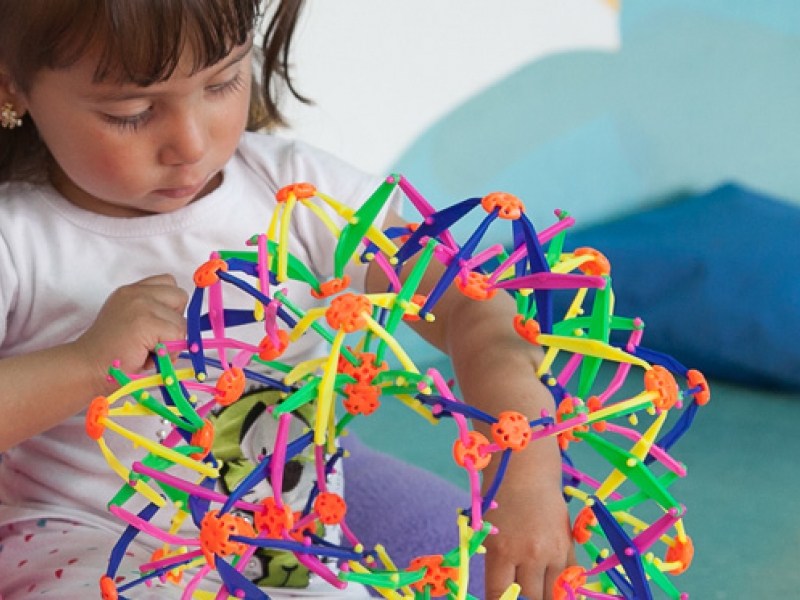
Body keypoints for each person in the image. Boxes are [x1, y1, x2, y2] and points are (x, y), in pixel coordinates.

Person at [0, 1, 575, 598]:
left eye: (222, 82)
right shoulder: (18, 239)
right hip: (85, 543)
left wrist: (527, 466)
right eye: (132, 112)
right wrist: (85, 365)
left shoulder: (300, 194)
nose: (190, 144)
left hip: (288, 550)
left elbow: (468, 302)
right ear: (12, 85)